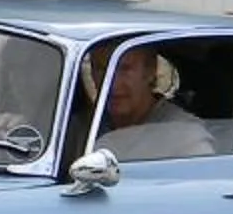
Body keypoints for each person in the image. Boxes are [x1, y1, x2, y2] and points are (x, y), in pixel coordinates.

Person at [83, 43, 212, 160]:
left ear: (150, 71)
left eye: (125, 69)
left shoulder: (186, 136)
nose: (113, 83)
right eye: (101, 69)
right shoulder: (79, 126)